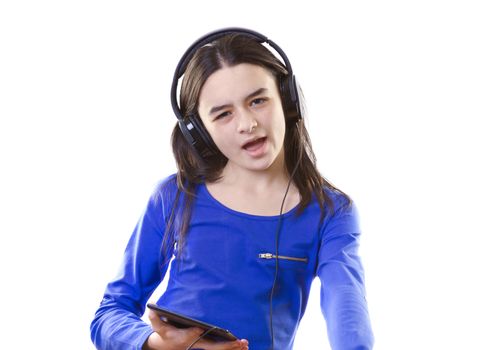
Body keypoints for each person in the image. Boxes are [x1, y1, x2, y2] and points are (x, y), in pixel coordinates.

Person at [90, 28, 374, 350]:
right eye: (223, 114)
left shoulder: (329, 212)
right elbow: (109, 314)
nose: (246, 123)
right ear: (198, 131)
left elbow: (346, 307)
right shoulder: (175, 196)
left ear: (287, 98)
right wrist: (156, 344)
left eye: (258, 100)